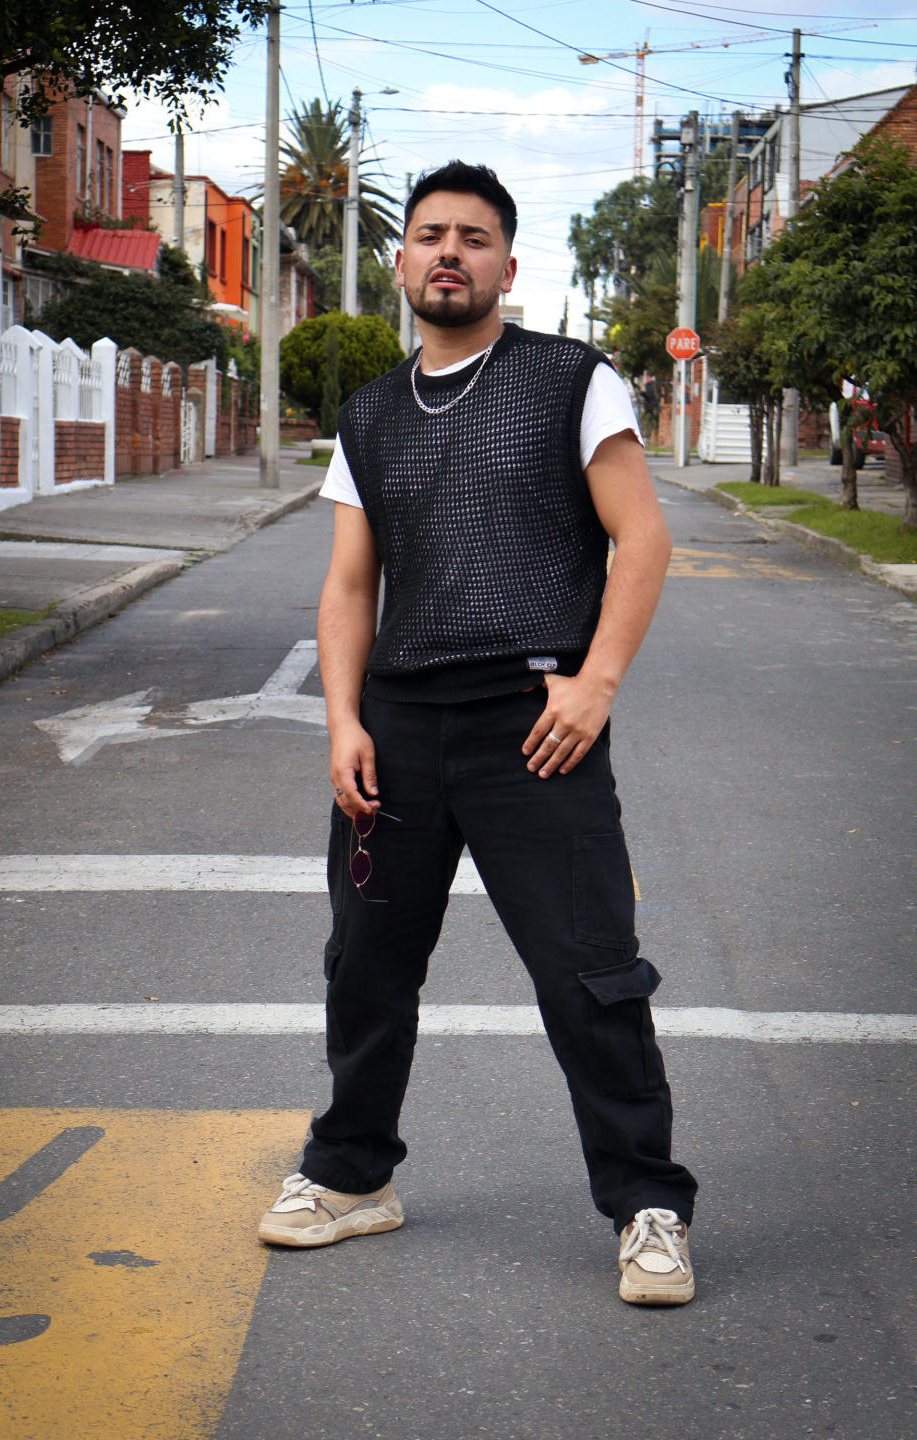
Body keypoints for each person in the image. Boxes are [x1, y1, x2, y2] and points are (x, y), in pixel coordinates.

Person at [258, 162, 698, 1305]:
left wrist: (595, 686)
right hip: (400, 724)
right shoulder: (369, 415)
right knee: (365, 966)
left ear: (507, 263)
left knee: (590, 972)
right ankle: (352, 1176)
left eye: (474, 237)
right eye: (430, 235)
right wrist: (343, 721)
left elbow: (643, 540)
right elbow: (349, 585)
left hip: (533, 720)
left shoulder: (570, 380)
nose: (449, 252)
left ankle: (647, 1205)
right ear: (402, 259)